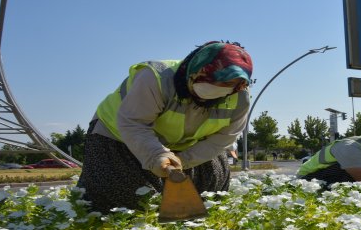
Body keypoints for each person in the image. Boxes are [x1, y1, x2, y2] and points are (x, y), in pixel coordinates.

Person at [77, 41, 253, 213]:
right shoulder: (156, 78)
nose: (220, 89)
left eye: (228, 85)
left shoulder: (240, 98)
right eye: (213, 81)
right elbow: (134, 123)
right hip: (119, 136)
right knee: (125, 198)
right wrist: (157, 155)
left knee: (211, 188)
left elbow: (222, 140)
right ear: (196, 70)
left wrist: (183, 160)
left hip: (185, 145)